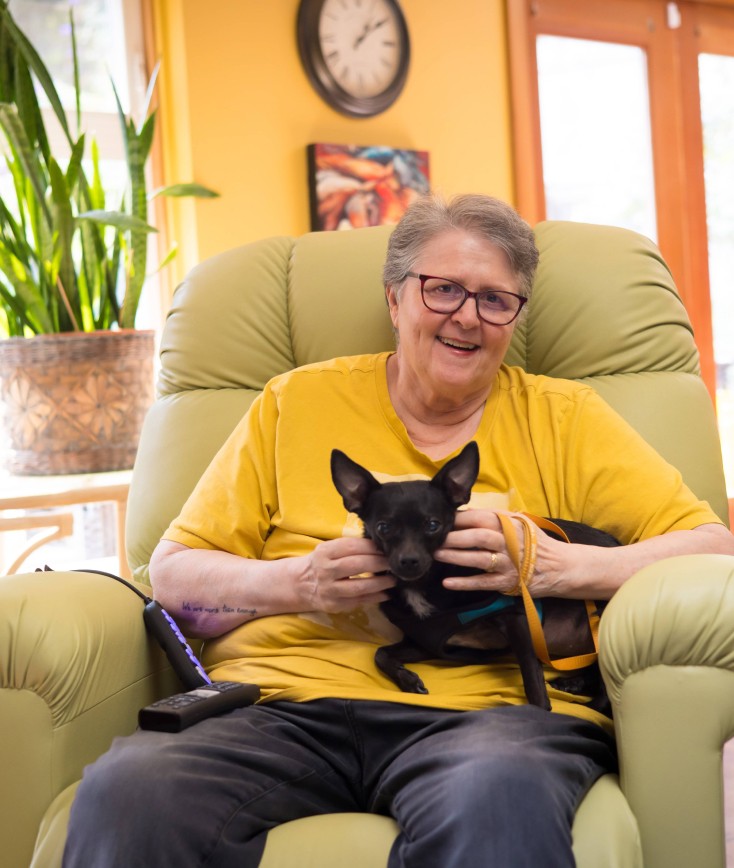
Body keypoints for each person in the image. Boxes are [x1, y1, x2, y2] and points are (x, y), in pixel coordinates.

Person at [63, 194, 734, 867]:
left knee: (497, 798)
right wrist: (297, 583)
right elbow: (175, 577)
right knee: (131, 790)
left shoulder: (566, 419)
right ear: (394, 299)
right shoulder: (294, 402)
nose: (467, 316)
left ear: (514, 317)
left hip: (487, 720)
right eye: (442, 290)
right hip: (281, 708)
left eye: (495, 300)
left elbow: (711, 546)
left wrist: (551, 565)